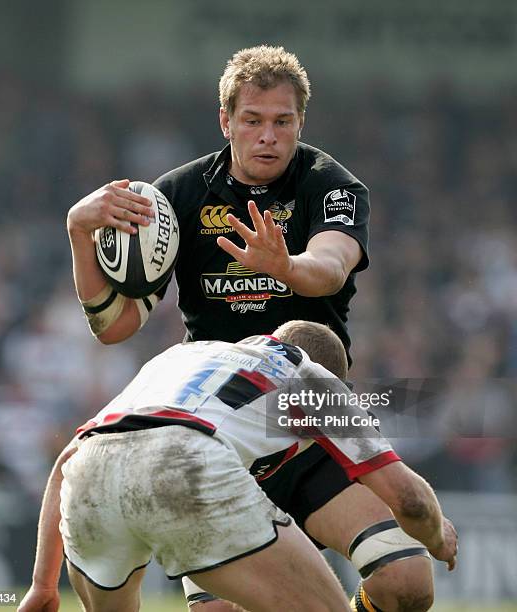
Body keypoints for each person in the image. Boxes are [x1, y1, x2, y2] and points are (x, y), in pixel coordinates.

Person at [65, 46, 440, 611]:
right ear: (226, 122)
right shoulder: (177, 197)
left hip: (313, 413)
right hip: (216, 429)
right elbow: (115, 326)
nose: (268, 136)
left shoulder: (329, 184)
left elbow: (331, 266)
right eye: (253, 120)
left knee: (407, 586)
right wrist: (78, 233)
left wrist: (285, 266)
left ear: (300, 123)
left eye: (282, 122)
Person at [18, 322, 457, 612]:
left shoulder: (178, 356)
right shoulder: (309, 376)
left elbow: (67, 460)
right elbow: (411, 501)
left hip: (91, 473)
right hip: (184, 461)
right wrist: (438, 537)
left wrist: (42, 585)